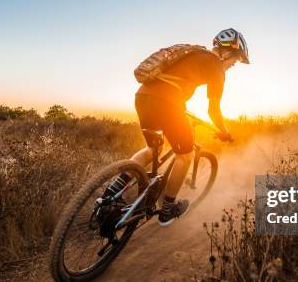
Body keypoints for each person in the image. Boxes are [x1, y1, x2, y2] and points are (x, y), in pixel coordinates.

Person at [103, 28, 250, 226]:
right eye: (236, 60)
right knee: (186, 155)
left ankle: (110, 193)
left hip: (143, 97)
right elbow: (213, 111)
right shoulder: (216, 67)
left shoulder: (194, 53)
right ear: (228, 53)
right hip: (168, 102)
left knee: (152, 148)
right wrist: (224, 131)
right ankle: (167, 210)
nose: (234, 65)